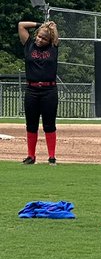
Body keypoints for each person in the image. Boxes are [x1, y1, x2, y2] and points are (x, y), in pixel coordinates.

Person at [17, 18, 60, 164]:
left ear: (50, 41)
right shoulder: (29, 45)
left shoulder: (53, 48)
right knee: (31, 124)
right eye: (39, 36)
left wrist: (52, 28)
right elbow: (21, 25)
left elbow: (56, 36)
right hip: (32, 89)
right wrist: (40, 24)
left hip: (49, 90)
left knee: (49, 124)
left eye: (44, 38)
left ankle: (52, 157)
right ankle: (31, 156)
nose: (40, 40)